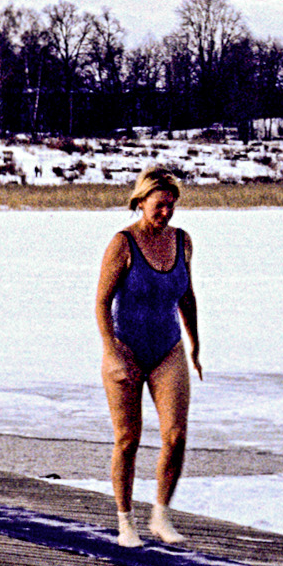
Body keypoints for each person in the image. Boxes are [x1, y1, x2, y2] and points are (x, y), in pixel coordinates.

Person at [95, 166, 202, 546]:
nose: (166, 213)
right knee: (128, 438)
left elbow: (186, 295)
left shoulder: (182, 241)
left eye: (171, 206)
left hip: (167, 349)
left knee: (175, 435)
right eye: (159, 205)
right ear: (141, 202)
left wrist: (195, 342)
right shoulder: (123, 243)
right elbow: (102, 303)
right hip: (126, 348)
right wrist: (111, 353)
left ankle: (160, 514)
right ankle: (126, 522)